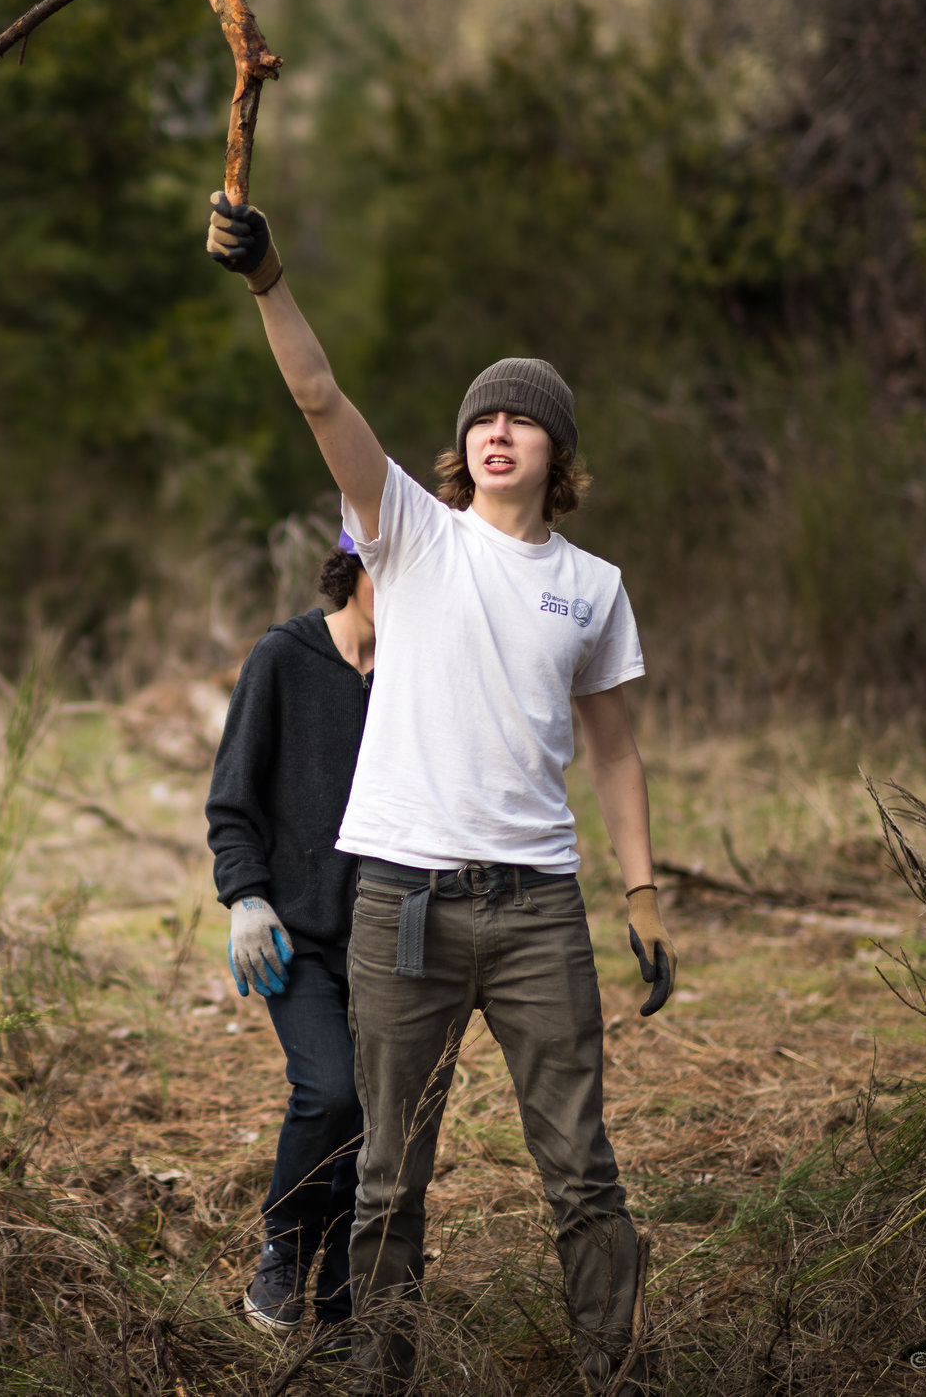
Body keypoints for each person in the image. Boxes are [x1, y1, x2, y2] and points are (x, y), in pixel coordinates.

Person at [205, 193, 677, 1397]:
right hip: (400, 907)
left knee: (579, 1168)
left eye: (524, 419)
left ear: (557, 454)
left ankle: (609, 1370)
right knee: (388, 1172)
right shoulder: (407, 534)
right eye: (482, 418)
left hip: (535, 915)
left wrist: (642, 890)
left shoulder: (593, 587)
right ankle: (379, 1370)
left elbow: (613, 750)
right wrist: (270, 284)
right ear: (458, 448)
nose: (499, 431)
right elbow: (321, 398)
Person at [209, 534, 377, 1342]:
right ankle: (284, 1247)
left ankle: (345, 1296)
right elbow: (232, 798)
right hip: (293, 936)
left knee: (379, 1118)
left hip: (391, 937)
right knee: (331, 1091)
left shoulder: (419, 676)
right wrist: (245, 896)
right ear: (356, 571)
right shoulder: (283, 656)